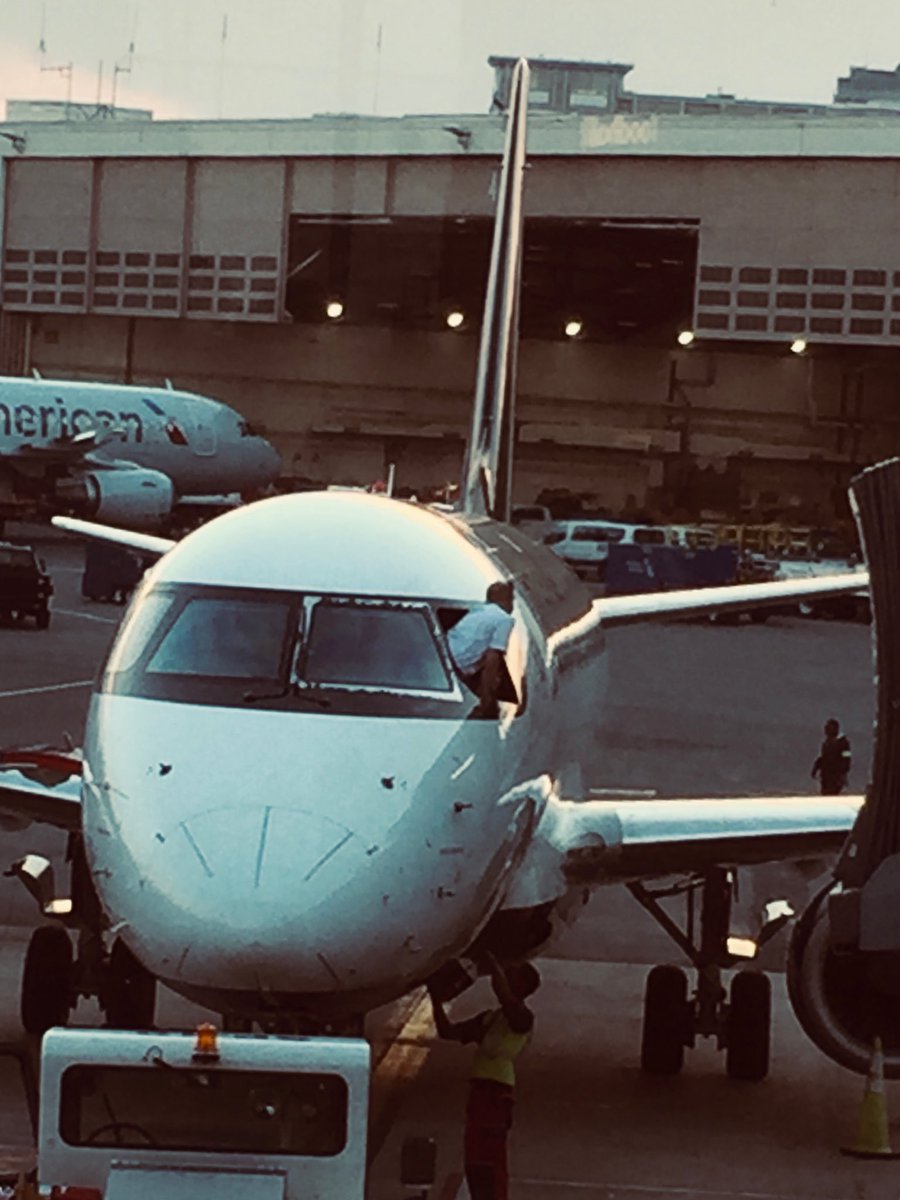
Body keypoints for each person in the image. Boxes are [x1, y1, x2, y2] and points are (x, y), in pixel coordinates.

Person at [429, 954, 540, 1200]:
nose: (508, 974)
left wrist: (493, 963)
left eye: (515, 973)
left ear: (522, 987)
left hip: (495, 1095)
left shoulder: (522, 1018)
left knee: (489, 1157)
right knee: (477, 1155)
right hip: (482, 1093)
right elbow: (447, 1031)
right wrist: (434, 998)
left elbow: (502, 993)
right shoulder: (492, 1018)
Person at [447, 581, 515, 718]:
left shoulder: (475, 611)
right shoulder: (504, 619)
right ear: (505, 599)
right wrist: (486, 700)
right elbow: (493, 659)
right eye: (511, 599)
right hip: (459, 670)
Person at [811, 718, 852, 795]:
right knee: (825, 793)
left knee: (832, 793)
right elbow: (823, 757)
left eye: (828, 728)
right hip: (825, 775)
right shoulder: (826, 742)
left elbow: (846, 759)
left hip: (836, 776)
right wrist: (816, 767)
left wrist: (843, 772)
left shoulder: (843, 743)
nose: (826, 731)